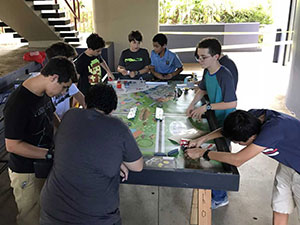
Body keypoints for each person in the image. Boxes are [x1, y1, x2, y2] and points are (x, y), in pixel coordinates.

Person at [40, 83, 144, 225]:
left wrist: (113, 158)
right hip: (96, 217)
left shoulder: (70, 115)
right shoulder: (118, 126)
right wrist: (117, 159)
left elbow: (79, 147)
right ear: (113, 109)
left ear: (86, 102)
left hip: (52, 211)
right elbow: (137, 166)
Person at [186, 109, 300, 225]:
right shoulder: (251, 117)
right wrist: (202, 139)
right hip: (288, 164)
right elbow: (228, 131)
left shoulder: (273, 130)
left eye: (239, 143)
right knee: (280, 207)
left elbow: (238, 159)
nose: (238, 144)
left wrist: (203, 153)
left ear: (253, 137)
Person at [4, 56, 77, 225]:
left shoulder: (43, 92)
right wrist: (50, 154)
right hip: (26, 171)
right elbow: (12, 145)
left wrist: (66, 133)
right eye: (64, 87)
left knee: (46, 210)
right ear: (54, 78)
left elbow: (51, 115)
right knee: (30, 216)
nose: (64, 92)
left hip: (44, 163)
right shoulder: (18, 103)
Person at [186, 38, 237, 209]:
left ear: (216, 56)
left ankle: (221, 197)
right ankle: (214, 190)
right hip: (213, 120)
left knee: (220, 160)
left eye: (203, 57)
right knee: (208, 155)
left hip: (225, 123)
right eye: (198, 57)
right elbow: (203, 88)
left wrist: (207, 107)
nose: (200, 61)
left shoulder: (225, 75)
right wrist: (192, 104)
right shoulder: (208, 71)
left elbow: (232, 103)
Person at [46, 42, 86, 119]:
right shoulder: (47, 87)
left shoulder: (68, 82)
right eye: (70, 61)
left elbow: (83, 101)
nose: (73, 65)